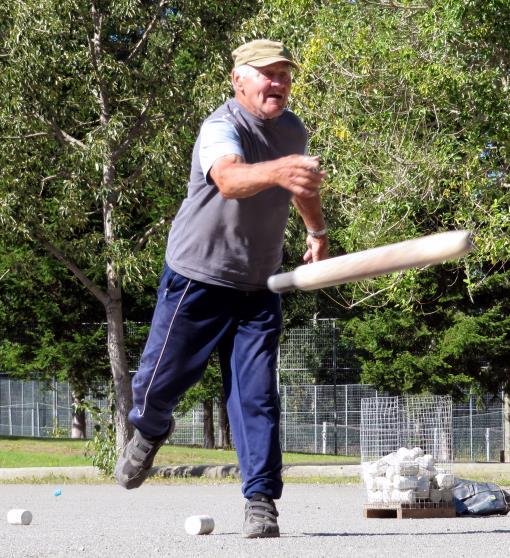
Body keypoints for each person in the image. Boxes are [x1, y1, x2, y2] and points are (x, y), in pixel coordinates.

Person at [114, 39, 328, 539]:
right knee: (158, 384)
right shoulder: (220, 127)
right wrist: (278, 170)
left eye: (284, 75)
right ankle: (149, 428)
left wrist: (316, 233)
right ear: (238, 80)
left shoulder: (293, 129)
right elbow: (229, 180)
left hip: (258, 286)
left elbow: (302, 186)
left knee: (256, 398)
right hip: (197, 279)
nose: (277, 83)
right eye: (266, 74)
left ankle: (261, 502)